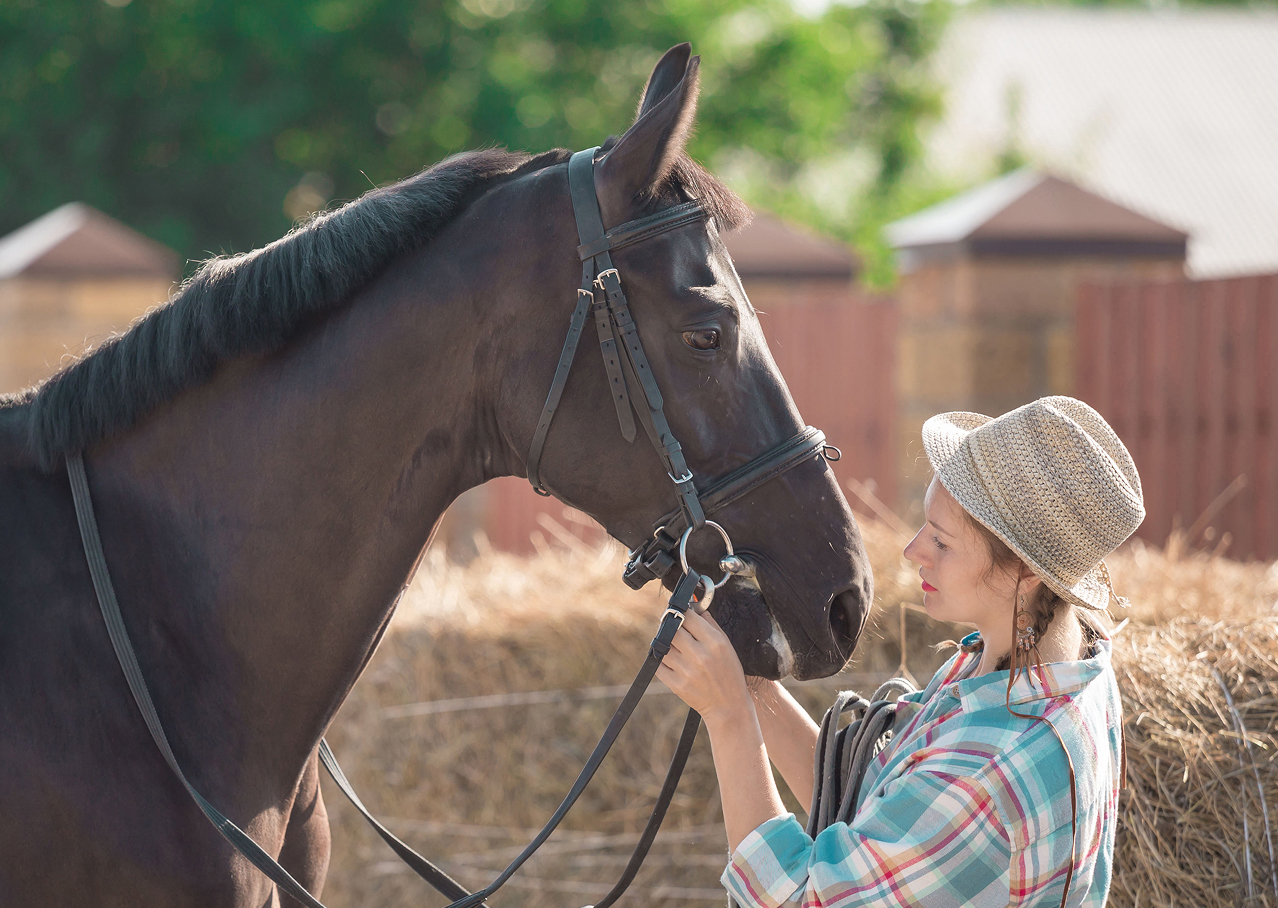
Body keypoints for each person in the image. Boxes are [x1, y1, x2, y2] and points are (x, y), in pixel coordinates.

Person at [657, 396, 1143, 908]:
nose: (913, 550)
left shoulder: (988, 774)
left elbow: (804, 900)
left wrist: (729, 716)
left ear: (1024, 573)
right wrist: (753, 685)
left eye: (942, 542)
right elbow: (874, 807)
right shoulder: (1059, 663)